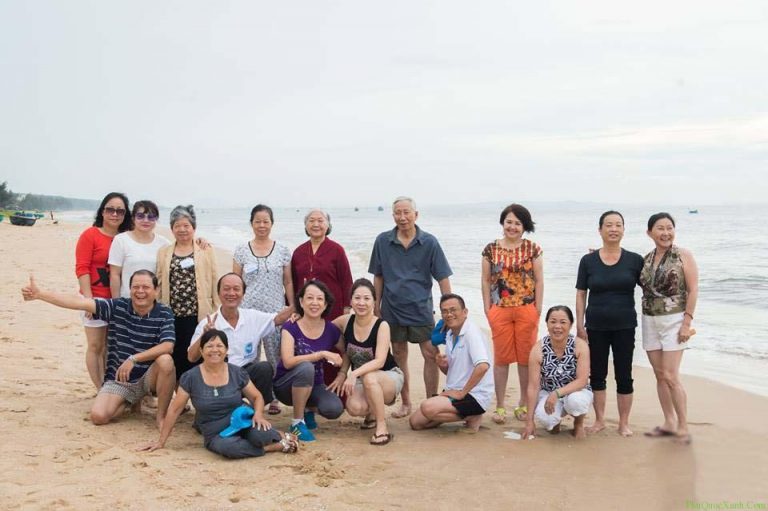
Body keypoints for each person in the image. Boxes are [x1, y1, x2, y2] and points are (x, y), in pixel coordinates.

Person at [21, 270, 176, 429]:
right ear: (129, 290)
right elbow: (79, 303)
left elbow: (168, 346)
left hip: (149, 376)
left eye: (146, 287)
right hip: (121, 378)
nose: (140, 291)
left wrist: (134, 359)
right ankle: (128, 401)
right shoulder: (118, 306)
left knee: (166, 361)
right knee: (99, 416)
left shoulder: (164, 312)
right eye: (136, 287)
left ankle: (161, 417)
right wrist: (40, 294)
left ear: (156, 290)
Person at [137, 329, 299, 458]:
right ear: (201, 351)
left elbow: (256, 397)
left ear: (226, 350)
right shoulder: (190, 377)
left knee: (261, 436)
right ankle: (273, 447)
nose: (215, 350)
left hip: (242, 421)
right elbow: (174, 409)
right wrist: (161, 442)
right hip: (215, 431)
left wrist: (258, 414)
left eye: (220, 346)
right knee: (229, 448)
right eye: (209, 346)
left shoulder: (237, 372)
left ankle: (275, 436)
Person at [369, 196, 452, 418]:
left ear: (416, 215)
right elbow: (378, 276)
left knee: (431, 353)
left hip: (421, 309)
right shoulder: (383, 241)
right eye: (398, 213)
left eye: (407, 212)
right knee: (399, 355)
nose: (402, 217)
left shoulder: (429, 242)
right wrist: (376, 305)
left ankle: (431, 401)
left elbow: (443, 278)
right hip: (392, 309)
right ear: (393, 215)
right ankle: (406, 403)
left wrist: (449, 310)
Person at [575, 210, 643, 437]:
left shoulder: (635, 260)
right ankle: (600, 420)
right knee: (597, 375)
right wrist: (580, 325)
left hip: (625, 325)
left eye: (618, 225)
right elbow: (581, 293)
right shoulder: (588, 261)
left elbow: (651, 288)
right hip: (595, 326)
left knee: (624, 375)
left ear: (623, 229)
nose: (613, 229)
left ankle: (624, 423)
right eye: (609, 225)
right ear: (600, 230)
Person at [187, 273, 292, 406]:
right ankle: (236, 404)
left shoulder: (252, 317)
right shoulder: (207, 322)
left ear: (243, 294)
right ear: (218, 293)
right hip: (219, 374)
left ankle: (255, 408)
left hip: (244, 374)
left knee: (264, 368)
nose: (231, 293)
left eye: (236, 289)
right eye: (226, 289)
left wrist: (298, 304)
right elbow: (191, 357)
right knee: (222, 409)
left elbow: (278, 319)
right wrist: (204, 335)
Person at [639, 213, 699, 445]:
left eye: (669, 228)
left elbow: (693, 290)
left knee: (672, 376)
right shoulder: (646, 259)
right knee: (660, 375)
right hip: (649, 320)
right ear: (649, 233)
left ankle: (683, 426)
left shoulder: (683, 255)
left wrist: (687, 323)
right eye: (660, 228)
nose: (666, 233)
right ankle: (669, 422)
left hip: (674, 320)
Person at [481, 203, 543, 424]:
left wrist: (537, 309)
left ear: (524, 226)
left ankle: (523, 404)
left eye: (517, 223)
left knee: (526, 359)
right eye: (509, 222)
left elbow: (539, 280)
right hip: (500, 309)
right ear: (502, 223)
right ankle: (499, 406)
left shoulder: (532, 249)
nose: (512, 227)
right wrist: (488, 308)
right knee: (501, 359)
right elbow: (486, 280)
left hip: (527, 309)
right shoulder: (491, 249)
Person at [233, 204, 294, 414]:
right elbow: (235, 282)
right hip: (248, 311)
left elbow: (288, 281)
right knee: (250, 356)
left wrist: (291, 306)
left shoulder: (283, 250)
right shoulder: (241, 250)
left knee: (275, 354)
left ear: (272, 223)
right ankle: (252, 396)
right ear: (251, 223)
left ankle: (274, 397)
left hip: (275, 311)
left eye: (265, 221)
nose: (261, 225)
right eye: (257, 221)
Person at [328, 278, 404, 446]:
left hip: (388, 376)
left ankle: (382, 427)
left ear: (374, 302)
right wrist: (298, 316)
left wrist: (352, 374)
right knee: (354, 407)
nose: (361, 303)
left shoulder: (382, 325)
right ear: (351, 301)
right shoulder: (346, 321)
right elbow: (321, 328)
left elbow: (380, 361)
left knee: (370, 377)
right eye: (357, 298)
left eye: (367, 298)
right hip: (363, 379)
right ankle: (371, 414)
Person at [409, 294, 494, 433]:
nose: (449, 314)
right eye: (445, 311)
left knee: (427, 407)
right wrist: (442, 365)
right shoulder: (449, 334)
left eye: (453, 310)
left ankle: (473, 416)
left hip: (474, 395)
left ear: (465, 312)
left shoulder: (471, 333)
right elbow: (453, 372)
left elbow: (483, 366)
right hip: (453, 390)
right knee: (416, 422)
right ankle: (463, 413)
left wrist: (462, 393)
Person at [291, 208, 353, 395]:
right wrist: (295, 309)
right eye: (311, 220)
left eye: (320, 220)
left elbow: (347, 281)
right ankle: (310, 394)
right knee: (308, 348)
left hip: (333, 310)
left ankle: (335, 393)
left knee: (334, 347)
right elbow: (294, 283)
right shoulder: (299, 252)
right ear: (305, 225)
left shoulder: (337, 250)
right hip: (307, 310)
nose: (316, 224)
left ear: (328, 225)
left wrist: (347, 309)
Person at [273, 280, 344, 442]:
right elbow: (288, 361)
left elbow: (347, 352)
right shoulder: (290, 326)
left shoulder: (331, 329)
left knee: (334, 409)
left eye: (320, 299)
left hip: (315, 385)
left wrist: (342, 373)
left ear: (325, 304)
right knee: (306, 367)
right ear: (301, 301)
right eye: (310, 298)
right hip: (286, 385)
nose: (314, 303)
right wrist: (320, 354)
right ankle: (297, 422)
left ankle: (307, 410)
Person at [75, 192, 133, 389]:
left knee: (113, 347)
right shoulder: (90, 235)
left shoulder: (126, 237)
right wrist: (88, 301)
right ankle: (101, 389)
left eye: (120, 211)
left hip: (120, 299)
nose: (114, 214)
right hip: (95, 297)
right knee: (95, 346)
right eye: (110, 209)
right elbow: (82, 268)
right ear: (102, 211)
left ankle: (113, 387)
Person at [156, 205, 219, 380]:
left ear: (194, 227)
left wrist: (216, 309)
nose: (182, 229)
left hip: (198, 314)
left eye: (186, 225)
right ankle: (180, 393)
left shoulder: (205, 249)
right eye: (177, 226)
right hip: (172, 314)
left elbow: (214, 279)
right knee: (177, 356)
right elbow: (159, 282)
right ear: (172, 229)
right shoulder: (164, 252)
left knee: (198, 354)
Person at [522, 306, 592, 440]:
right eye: (553, 322)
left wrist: (557, 393)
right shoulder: (538, 349)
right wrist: (529, 421)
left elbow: (582, 381)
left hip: (576, 392)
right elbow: (533, 386)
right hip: (549, 393)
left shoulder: (580, 346)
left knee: (576, 402)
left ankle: (578, 423)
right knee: (545, 418)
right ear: (547, 324)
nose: (557, 326)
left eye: (563, 322)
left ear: (571, 324)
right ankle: (555, 423)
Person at [109, 200, 170, 298]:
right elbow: (114, 275)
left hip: (153, 301)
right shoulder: (121, 240)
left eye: (151, 217)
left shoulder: (164, 243)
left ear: (156, 219)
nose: (146, 220)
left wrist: (196, 242)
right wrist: (116, 302)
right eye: (140, 216)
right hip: (127, 300)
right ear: (133, 218)